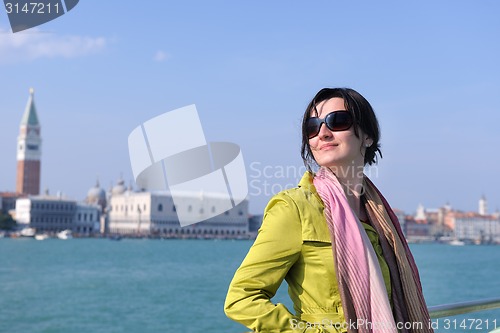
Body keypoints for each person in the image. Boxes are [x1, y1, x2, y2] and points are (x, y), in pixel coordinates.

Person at [224, 87, 434, 333]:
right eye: (312, 127)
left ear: (367, 136)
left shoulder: (382, 217)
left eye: (338, 121)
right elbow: (241, 299)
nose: (322, 133)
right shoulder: (294, 208)